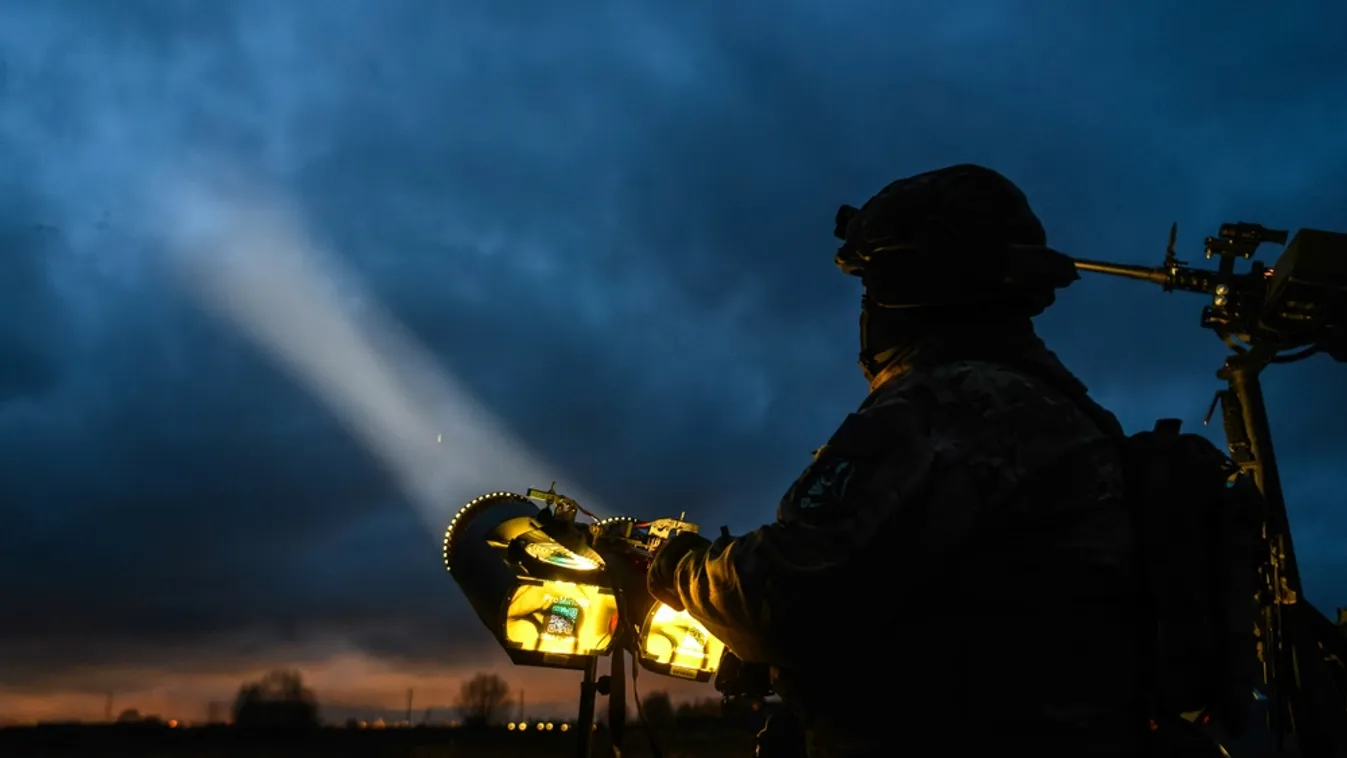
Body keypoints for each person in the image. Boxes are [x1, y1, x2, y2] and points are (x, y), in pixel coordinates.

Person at [646, 164, 1144, 757]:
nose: (866, 311)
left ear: (908, 284)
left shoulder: (947, 406)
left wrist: (674, 568)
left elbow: (779, 590)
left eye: (870, 285)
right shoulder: (1063, 408)